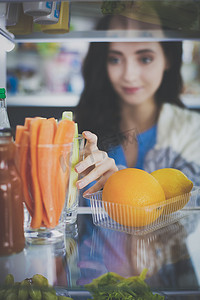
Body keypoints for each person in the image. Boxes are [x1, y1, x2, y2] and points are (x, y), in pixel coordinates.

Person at [74, 13, 200, 198]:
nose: (129, 75)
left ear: (168, 58)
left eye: (145, 59)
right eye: (115, 59)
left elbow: (188, 221)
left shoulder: (193, 131)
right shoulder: (79, 131)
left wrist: (116, 184)